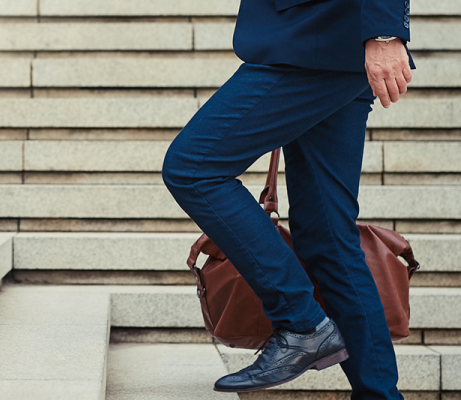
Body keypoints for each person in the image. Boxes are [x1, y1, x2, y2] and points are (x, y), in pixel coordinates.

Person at [161, 0, 414, 398]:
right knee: (329, 240)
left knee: (193, 168)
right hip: (326, 46)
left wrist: (384, 32)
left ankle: (302, 323)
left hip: (313, 38)